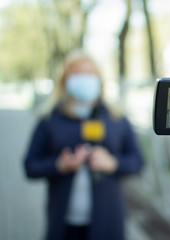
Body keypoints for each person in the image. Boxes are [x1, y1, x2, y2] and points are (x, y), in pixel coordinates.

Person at [23, 50, 143, 240]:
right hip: (64, 224)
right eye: (77, 73)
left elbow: (138, 162)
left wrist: (113, 163)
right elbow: (30, 166)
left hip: (107, 224)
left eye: (89, 73)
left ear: (99, 79)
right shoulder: (49, 119)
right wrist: (59, 165)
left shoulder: (116, 118)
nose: (84, 78)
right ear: (64, 80)